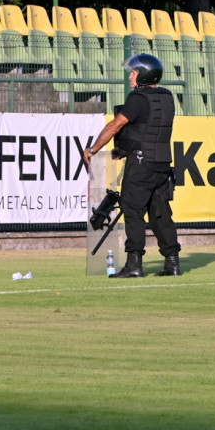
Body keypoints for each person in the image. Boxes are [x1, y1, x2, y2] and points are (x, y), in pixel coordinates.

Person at [83, 54, 181, 278]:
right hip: (162, 163)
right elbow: (148, 129)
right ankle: (172, 262)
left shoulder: (138, 98)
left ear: (143, 75)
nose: (130, 77)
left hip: (141, 163)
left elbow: (115, 126)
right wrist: (124, 147)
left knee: (133, 212)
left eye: (133, 72)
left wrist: (93, 149)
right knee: (160, 213)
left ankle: (134, 264)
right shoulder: (166, 97)